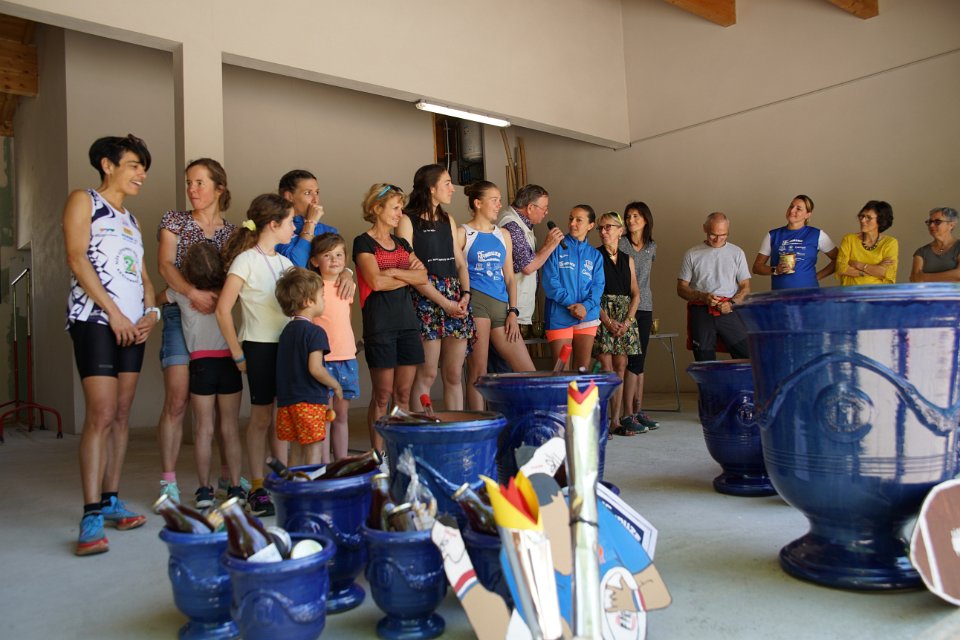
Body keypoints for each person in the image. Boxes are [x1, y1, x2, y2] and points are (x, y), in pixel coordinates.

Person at [65, 134, 158, 556]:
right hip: (95, 321)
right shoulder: (84, 200)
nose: (141, 175)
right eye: (135, 165)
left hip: (132, 328)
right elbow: (76, 257)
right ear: (108, 164)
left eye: (144, 168)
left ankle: (111, 499)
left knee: (121, 413)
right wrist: (115, 314)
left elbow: (144, 278)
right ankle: (90, 514)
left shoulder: (131, 220)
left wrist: (150, 314)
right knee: (101, 413)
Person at [155, 158, 238, 504]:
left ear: (219, 188)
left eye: (199, 182)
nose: (191, 189)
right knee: (177, 399)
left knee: (223, 408)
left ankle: (228, 477)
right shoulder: (174, 221)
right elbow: (165, 265)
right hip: (181, 314)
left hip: (219, 319)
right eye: (189, 182)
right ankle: (169, 482)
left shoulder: (233, 233)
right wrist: (192, 293)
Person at [216, 194, 297, 516]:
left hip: (286, 347)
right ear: (273, 224)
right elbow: (223, 310)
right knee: (261, 417)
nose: (294, 228)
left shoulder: (285, 264)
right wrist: (237, 354)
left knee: (283, 418)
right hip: (258, 346)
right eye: (290, 222)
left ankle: (282, 479)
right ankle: (258, 486)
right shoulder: (245, 260)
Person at [161, 243, 243, 508]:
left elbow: (156, 299)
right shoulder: (227, 291)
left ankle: (204, 490)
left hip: (200, 365)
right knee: (230, 428)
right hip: (228, 363)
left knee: (203, 429)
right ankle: (234, 487)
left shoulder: (181, 293)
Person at [353, 184, 427, 451]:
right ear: (377, 208)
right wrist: (406, 275)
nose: (400, 213)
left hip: (407, 324)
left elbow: (423, 276)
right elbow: (375, 282)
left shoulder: (403, 244)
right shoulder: (363, 242)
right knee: (382, 394)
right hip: (380, 325)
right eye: (395, 208)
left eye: (401, 208)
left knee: (403, 394)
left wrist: (393, 273)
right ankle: (378, 455)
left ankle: (400, 453)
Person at [398, 164, 474, 411]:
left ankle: (455, 427)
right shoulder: (407, 220)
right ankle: (424, 428)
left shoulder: (447, 219)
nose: (453, 188)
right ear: (431, 188)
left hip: (455, 297)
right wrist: (444, 303)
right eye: (447, 183)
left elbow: (460, 262)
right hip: (426, 297)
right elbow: (411, 271)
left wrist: (465, 295)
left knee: (454, 374)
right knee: (427, 374)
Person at [458, 181, 536, 410]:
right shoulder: (463, 233)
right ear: (478, 203)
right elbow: (458, 271)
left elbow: (510, 277)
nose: (499, 205)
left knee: (529, 371)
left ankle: (531, 420)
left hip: (503, 306)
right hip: (477, 304)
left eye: (500, 200)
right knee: (478, 371)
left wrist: (513, 311)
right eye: (494, 200)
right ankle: (479, 424)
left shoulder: (503, 234)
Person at [274, 267, 344, 465]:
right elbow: (315, 368)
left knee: (296, 448)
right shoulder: (315, 332)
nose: (324, 300)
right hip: (309, 402)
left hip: (287, 402)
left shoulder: (286, 331)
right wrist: (335, 384)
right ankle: (312, 483)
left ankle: (294, 482)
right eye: (321, 296)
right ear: (308, 302)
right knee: (314, 448)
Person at [309, 233, 359, 462]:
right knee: (325, 416)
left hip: (346, 357)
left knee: (341, 415)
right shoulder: (312, 288)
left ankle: (341, 462)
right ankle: (326, 466)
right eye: (327, 255)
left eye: (339, 255)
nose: (334, 260)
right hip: (323, 360)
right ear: (314, 261)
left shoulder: (348, 285)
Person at [593, 212, 644, 436]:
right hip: (602, 314)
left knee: (621, 366)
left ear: (620, 231)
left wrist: (627, 322)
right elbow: (590, 293)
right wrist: (606, 320)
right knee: (606, 367)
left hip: (624, 317)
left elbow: (636, 294)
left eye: (608, 227)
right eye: (601, 228)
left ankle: (615, 421)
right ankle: (601, 421)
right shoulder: (594, 256)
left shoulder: (628, 259)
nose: (603, 231)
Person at [677, 212, 751, 361]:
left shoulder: (737, 253)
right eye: (713, 235)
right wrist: (702, 296)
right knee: (704, 361)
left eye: (723, 235)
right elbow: (681, 288)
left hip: (729, 309)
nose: (718, 239)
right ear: (704, 229)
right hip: (701, 310)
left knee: (749, 356)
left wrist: (732, 303)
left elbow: (745, 287)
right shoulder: (692, 254)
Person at [541, 205, 605, 370]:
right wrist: (571, 305)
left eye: (579, 220)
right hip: (559, 315)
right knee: (561, 370)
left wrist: (585, 307)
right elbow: (550, 282)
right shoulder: (555, 247)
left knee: (582, 370)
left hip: (586, 315)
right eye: (571, 219)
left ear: (590, 225)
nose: (572, 224)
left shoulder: (595, 255)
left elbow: (598, 287)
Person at [275, 169, 357, 297]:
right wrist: (310, 223)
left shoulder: (329, 231)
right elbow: (297, 267)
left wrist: (346, 272)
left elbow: (337, 264)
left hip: (325, 302)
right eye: (308, 193)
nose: (315, 199)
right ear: (289, 197)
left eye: (317, 192)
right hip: (292, 302)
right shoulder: (277, 230)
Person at [497, 184, 565, 328]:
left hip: (516, 305)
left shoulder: (522, 223)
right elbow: (527, 267)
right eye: (544, 208)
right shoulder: (512, 225)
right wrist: (550, 245)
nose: (546, 212)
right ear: (530, 208)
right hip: (509, 308)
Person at [619, 202, 659, 430]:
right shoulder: (621, 243)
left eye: (636, 216)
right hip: (624, 307)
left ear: (646, 219)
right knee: (628, 360)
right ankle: (626, 414)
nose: (631, 220)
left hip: (645, 306)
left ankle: (638, 410)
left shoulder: (652, 246)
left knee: (640, 360)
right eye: (628, 216)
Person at [752, 195, 838, 289]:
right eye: (791, 206)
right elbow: (756, 267)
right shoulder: (773, 235)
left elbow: (839, 260)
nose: (792, 210)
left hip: (809, 294)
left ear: (807, 214)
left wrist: (816, 277)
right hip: (780, 295)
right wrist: (775, 270)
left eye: (798, 208)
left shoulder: (817, 234)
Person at [835, 200, 898, 286]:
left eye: (868, 217)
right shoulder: (849, 239)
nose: (863, 220)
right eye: (861, 216)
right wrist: (874, 269)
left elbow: (886, 273)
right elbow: (841, 268)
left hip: (877, 293)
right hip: (850, 292)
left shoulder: (890, 243)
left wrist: (858, 265)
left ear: (880, 221)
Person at [910, 207, 960, 282]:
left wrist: (924, 277)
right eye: (930, 222)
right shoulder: (921, 251)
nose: (931, 225)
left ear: (951, 225)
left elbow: (958, 275)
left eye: (937, 222)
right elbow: (915, 279)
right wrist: (952, 275)